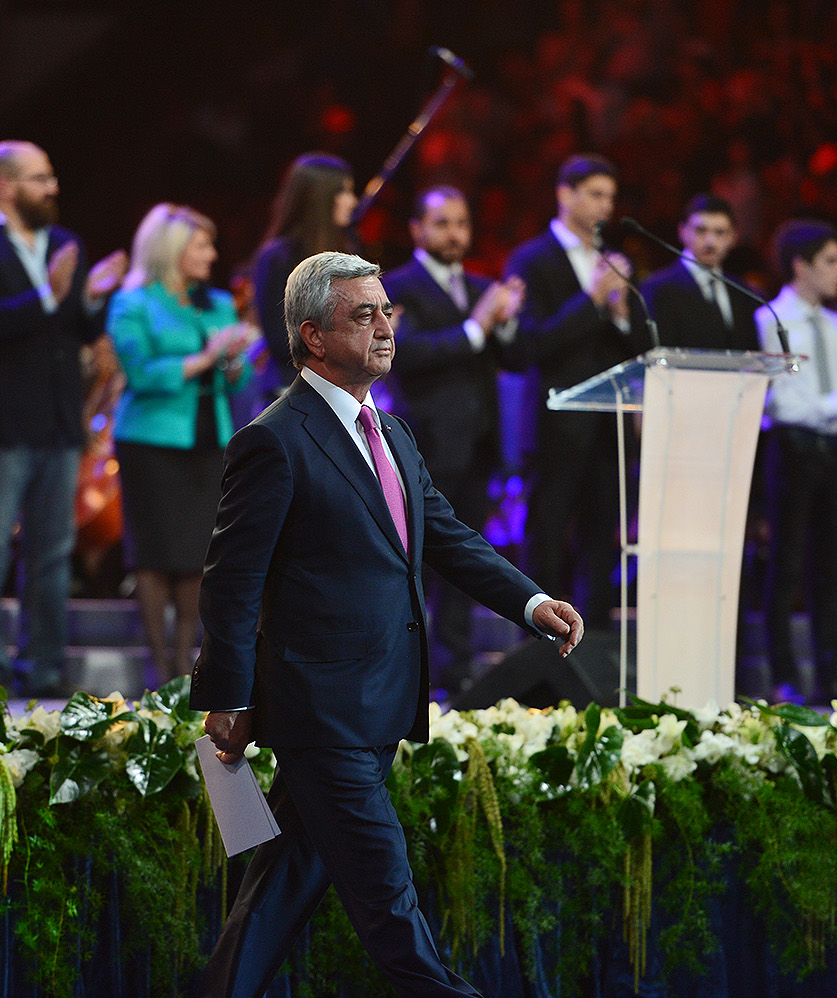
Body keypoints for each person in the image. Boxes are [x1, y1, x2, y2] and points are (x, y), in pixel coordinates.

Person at [192, 251, 584, 997]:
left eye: (386, 312)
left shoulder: (393, 433)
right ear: (313, 335)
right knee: (390, 904)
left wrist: (532, 604)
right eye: (363, 315)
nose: (384, 328)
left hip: (378, 704)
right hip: (321, 713)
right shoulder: (274, 439)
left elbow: (449, 538)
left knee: (277, 893)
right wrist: (229, 696)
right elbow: (231, 582)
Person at [0, 140, 126, 699]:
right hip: (0, 423)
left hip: (58, 422)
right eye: (40, 178)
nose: (53, 188)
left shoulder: (64, 242)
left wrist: (92, 299)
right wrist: (45, 297)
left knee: (51, 553)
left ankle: (43, 666)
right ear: (5, 186)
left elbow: (77, 330)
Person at [383, 185, 525, 691]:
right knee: (415, 562)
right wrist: (477, 326)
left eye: (462, 223)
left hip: (480, 444)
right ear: (417, 229)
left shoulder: (483, 285)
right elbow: (405, 354)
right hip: (426, 443)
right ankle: (407, 669)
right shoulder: (397, 285)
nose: (455, 234)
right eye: (442, 223)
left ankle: (458, 670)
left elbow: (514, 358)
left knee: (467, 560)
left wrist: (505, 325)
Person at [107, 203, 255, 684]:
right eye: (202, 246)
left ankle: (188, 662)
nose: (211, 255)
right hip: (151, 441)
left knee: (198, 554)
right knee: (154, 554)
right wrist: (205, 357)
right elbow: (141, 373)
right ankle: (159, 665)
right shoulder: (133, 304)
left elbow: (237, 380)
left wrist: (233, 362)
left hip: (210, 439)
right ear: (171, 250)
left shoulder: (219, 304)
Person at [503, 153, 646, 623]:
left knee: (601, 538)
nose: (606, 206)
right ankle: (537, 641)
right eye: (595, 194)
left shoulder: (613, 261)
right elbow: (529, 344)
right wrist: (591, 301)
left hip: (608, 428)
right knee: (546, 536)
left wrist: (621, 314)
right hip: (556, 426)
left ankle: (594, 641)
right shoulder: (532, 258)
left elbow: (639, 348)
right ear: (565, 194)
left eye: (610, 197)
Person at [756, 220, 837, 705]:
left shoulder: (834, 323)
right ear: (801, 266)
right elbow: (780, 403)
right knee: (786, 564)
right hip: (790, 449)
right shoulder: (770, 318)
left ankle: (828, 678)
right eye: (830, 261)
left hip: (830, 451)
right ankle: (784, 675)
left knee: (830, 568)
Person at [250, 152, 356, 399]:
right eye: (344, 192)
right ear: (321, 198)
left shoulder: (348, 252)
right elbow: (282, 340)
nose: (353, 201)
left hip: (340, 391)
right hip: (294, 392)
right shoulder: (278, 258)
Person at [641, 193, 761, 352]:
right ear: (682, 231)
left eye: (719, 232)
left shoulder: (743, 292)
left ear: (733, 237)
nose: (710, 242)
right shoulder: (657, 288)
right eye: (701, 230)